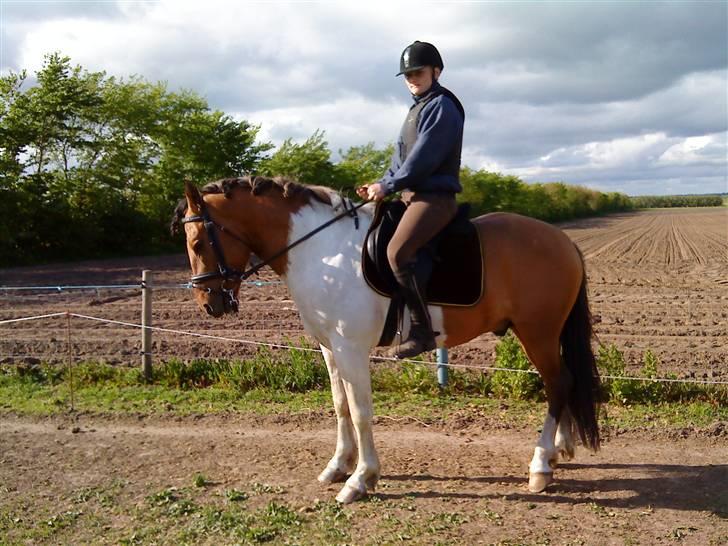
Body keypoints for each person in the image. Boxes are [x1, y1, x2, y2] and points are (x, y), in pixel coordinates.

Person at [357, 40, 465, 359]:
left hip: (435, 198)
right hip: (409, 195)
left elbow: (423, 160)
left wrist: (388, 185)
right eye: (407, 75)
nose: (412, 78)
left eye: (417, 72)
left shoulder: (443, 106)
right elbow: (399, 160)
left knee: (397, 252)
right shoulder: (415, 109)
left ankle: (421, 332)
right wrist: (380, 184)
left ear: (437, 71)